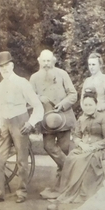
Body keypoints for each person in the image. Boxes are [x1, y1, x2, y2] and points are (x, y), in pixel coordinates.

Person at [0, 51, 44, 204]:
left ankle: (22, 192)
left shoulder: (22, 83)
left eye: (6, 66)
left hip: (20, 120)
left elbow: (38, 107)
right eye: (1, 67)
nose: (4, 69)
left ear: (12, 65)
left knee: (22, 159)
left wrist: (31, 123)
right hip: (4, 123)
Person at [55, 89, 105, 203]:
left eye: (90, 104)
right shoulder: (81, 119)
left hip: (98, 149)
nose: (88, 107)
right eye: (86, 105)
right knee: (71, 157)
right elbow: (76, 136)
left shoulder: (103, 118)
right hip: (83, 147)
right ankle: (71, 191)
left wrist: (94, 146)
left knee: (85, 159)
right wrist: (82, 144)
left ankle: (84, 192)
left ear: (96, 104)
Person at [30, 50, 77, 190]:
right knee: (48, 146)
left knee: (64, 149)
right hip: (47, 121)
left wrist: (62, 104)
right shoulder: (34, 78)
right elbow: (29, 97)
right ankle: (72, 170)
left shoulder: (62, 74)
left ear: (53, 61)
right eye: (44, 61)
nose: (46, 64)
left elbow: (73, 94)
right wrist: (39, 98)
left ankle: (63, 183)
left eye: (48, 61)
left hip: (63, 117)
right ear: (39, 61)